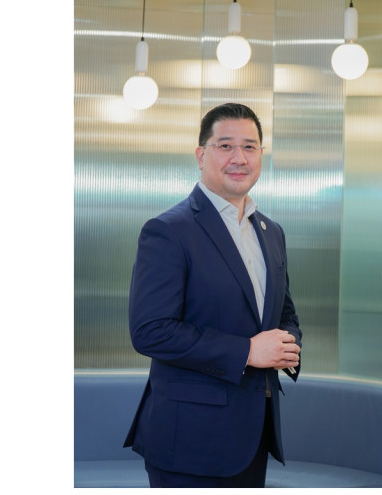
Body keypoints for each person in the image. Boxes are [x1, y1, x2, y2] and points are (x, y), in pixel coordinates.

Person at [123, 103, 303, 488]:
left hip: (254, 433)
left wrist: (288, 344)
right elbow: (151, 331)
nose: (239, 158)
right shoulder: (168, 230)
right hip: (191, 439)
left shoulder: (271, 231)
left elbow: (283, 313)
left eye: (250, 147)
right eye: (225, 145)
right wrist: (248, 351)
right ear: (201, 155)